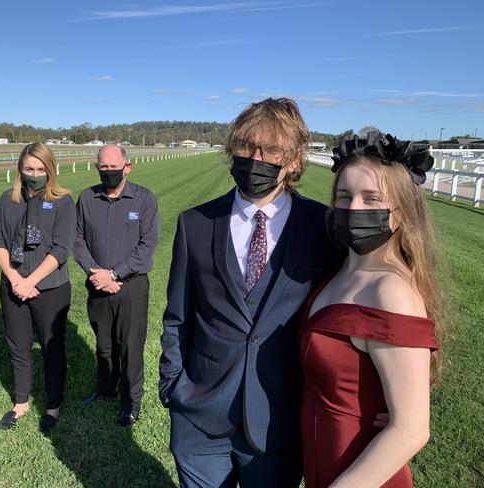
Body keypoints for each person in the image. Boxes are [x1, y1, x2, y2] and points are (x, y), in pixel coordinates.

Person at [159, 98, 342, 487]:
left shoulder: (322, 228)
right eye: (246, 146)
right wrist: (173, 387)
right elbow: (178, 315)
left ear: (293, 160)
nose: (255, 157)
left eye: (271, 150)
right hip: (199, 419)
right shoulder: (195, 224)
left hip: (281, 420)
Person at [299, 133, 442, 487]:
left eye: (372, 198)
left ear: (402, 211)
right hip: (324, 458)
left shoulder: (391, 291)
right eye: (344, 197)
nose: (354, 209)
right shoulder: (342, 271)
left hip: (361, 473)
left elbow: (410, 430)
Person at [0, 142, 76, 434]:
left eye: (41, 169)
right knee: (18, 346)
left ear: (50, 170)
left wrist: (30, 281)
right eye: (29, 169)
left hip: (50, 289)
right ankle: (21, 402)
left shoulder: (63, 202)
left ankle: (52, 406)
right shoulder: (7, 200)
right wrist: (15, 279)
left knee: (52, 349)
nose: (35, 174)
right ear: (20, 169)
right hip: (13, 285)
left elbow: (62, 248)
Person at [73, 144, 159, 427]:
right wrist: (95, 273)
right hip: (97, 284)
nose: (109, 172)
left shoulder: (144, 199)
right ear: (97, 168)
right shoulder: (87, 198)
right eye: (103, 167)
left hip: (131, 287)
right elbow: (77, 240)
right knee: (104, 344)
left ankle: (131, 401)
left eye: (114, 167)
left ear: (127, 167)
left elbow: (147, 246)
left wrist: (115, 275)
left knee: (130, 347)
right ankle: (106, 387)